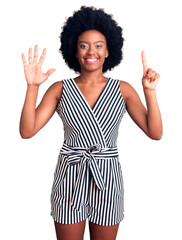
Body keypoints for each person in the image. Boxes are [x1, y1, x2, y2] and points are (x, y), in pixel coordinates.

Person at [19, 6, 163, 240]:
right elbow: (27, 131)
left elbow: (155, 132)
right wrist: (33, 87)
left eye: (98, 45)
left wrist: (150, 92)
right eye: (83, 45)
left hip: (107, 177)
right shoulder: (60, 89)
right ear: (74, 51)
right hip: (70, 175)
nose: (91, 51)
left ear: (108, 51)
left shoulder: (123, 90)